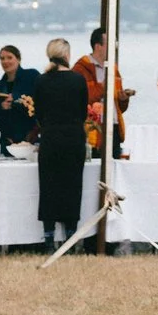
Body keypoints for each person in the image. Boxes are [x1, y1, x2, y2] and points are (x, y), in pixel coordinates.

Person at [33, 38, 91, 250]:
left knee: (49, 186)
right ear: (67, 55)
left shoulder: (41, 81)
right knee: (72, 186)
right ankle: (70, 236)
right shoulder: (78, 80)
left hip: (50, 137)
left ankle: (49, 237)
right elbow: (83, 112)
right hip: (73, 138)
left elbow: (39, 113)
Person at [75, 29, 128, 158]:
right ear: (98, 46)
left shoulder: (112, 68)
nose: (114, 48)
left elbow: (120, 108)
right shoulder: (81, 68)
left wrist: (123, 99)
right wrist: (102, 87)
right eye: (110, 44)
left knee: (115, 165)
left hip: (113, 127)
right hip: (93, 129)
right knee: (93, 165)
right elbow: (80, 99)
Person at [0, 45, 39, 155]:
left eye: (9, 57)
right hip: (8, 142)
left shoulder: (32, 76)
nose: (5, 61)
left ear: (18, 59)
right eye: (2, 58)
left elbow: (42, 101)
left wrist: (16, 100)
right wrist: (1, 107)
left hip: (31, 139)